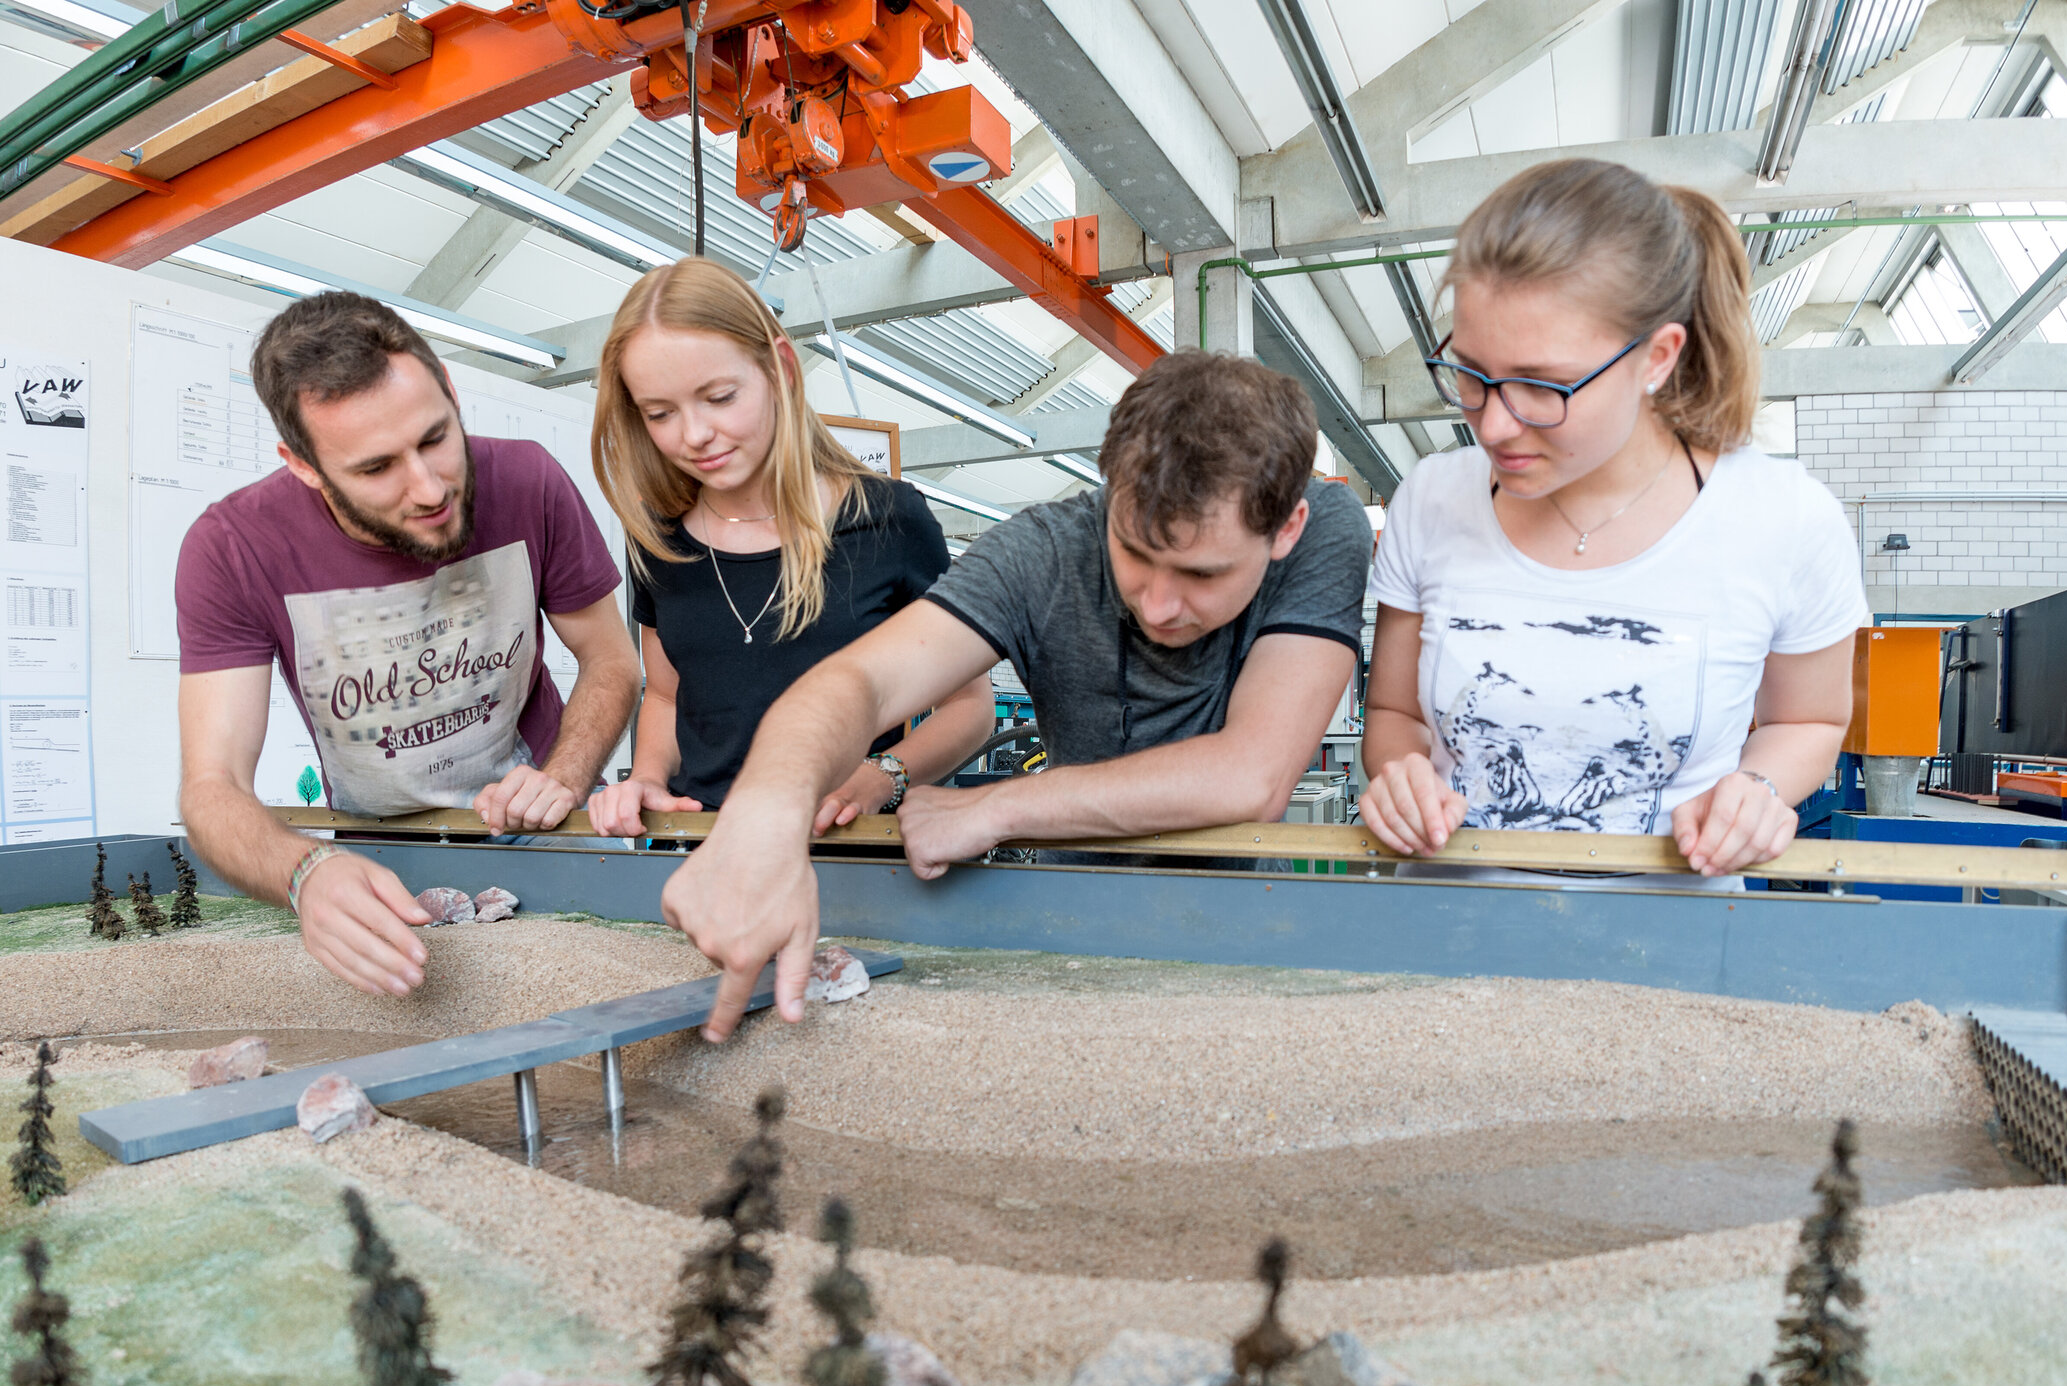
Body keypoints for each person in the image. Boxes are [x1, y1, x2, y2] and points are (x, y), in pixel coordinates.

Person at [661, 350, 1376, 1040]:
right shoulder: (1043, 549)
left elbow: (1251, 774)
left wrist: (998, 805)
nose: (1159, 605)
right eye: (1133, 552)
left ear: (1284, 529)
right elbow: (859, 681)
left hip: (1250, 937)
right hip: (1062, 937)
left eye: (1201, 574)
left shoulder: (1326, 529)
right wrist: (766, 815)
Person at [1355, 158, 1864, 883]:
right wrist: (1402, 773)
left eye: (1544, 385)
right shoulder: (1432, 499)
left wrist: (1758, 790)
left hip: (1678, 948)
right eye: (1471, 373)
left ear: (1657, 356)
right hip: (1448, 941)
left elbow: (1806, 722)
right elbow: (1395, 713)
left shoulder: (1786, 520)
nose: (1494, 425)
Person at [175, 291, 639, 997]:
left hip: (554, 831)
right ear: (302, 464)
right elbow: (213, 786)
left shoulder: (529, 480)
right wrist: (305, 872)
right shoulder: (231, 549)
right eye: (376, 468)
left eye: (435, 437)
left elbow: (611, 660)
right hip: (384, 855)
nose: (428, 488)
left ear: (450, 390)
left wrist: (565, 777)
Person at [580, 258, 996, 838]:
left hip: (844, 859)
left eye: (720, 397)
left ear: (780, 368)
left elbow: (970, 707)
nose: (694, 435)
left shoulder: (888, 520)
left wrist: (882, 779)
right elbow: (669, 697)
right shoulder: (658, 539)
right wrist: (648, 775)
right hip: (704, 856)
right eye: (660, 413)